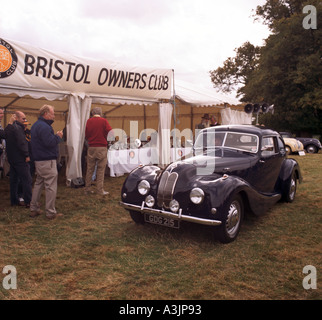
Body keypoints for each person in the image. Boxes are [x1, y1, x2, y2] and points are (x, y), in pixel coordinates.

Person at [30, 105, 63, 219]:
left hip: (39, 160)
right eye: (53, 114)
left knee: (38, 184)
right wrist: (58, 137)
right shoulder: (44, 127)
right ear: (46, 114)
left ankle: (33, 208)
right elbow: (49, 143)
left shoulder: (35, 125)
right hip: (47, 160)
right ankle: (50, 212)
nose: (54, 116)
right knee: (50, 186)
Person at [4, 111, 32, 207]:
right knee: (27, 179)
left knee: (14, 180)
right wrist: (26, 155)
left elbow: (5, 135)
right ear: (17, 118)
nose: (25, 120)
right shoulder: (18, 128)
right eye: (23, 118)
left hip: (12, 159)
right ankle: (28, 201)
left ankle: (14, 201)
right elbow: (21, 143)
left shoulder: (11, 127)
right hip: (20, 159)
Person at [84, 107, 112, 195]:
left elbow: (86, 134)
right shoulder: (104, 121)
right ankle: (99, 190)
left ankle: (87, 189)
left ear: (92, 113)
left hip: (91, 147)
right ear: (101, 113)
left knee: (89, 169)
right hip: (101, 147)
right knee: (100, 169)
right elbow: (111, 132)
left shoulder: (89, 121)